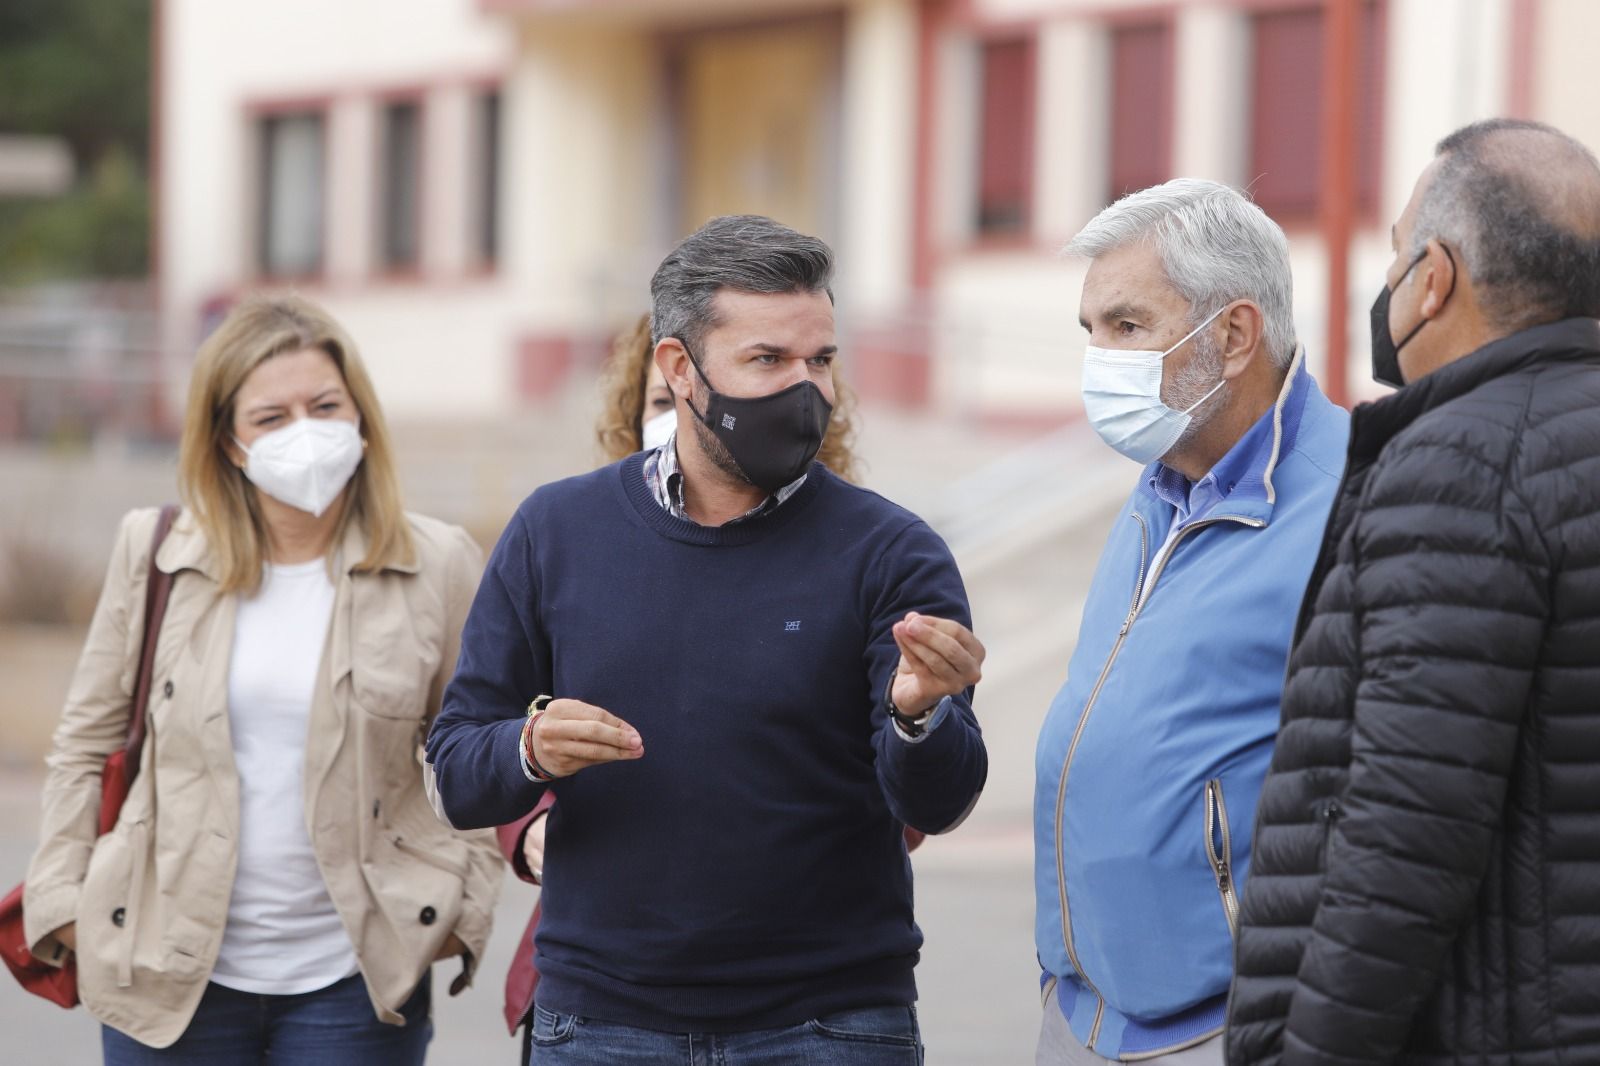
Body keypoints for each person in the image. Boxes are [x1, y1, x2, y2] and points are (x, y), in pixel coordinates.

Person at [427, 214, 988, 1064]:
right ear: (678, 370)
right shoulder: (555, 531)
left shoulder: (893, 552)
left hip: (830, 1024)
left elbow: (939, 800)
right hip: (601, 1023)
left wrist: (918, 717)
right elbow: (457, 772)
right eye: (768, 360)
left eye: (822, 360)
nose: (807, 391)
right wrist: (530, 748)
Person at [22, 295, 503, 1063]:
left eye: (324, 406)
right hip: (165, 974)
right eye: (271, 418)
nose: (305, 432)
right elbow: (84, 745)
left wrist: (458, 909)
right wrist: (66, 906)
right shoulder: (156, 554)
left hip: (353, 985)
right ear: (230, 444)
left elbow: (476, 752)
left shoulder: (436, 563)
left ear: (361, 419)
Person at [1227, 119, 1600, 1066]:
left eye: (1396, 256)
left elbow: (1403, 832)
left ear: (1434, 280)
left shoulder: (1465, 460)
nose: (1387, 285)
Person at [495, 311, 896, 1050]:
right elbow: (479, 733)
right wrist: (529, 820)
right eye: (656, 403)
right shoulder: (563, 536)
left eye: (815, 363)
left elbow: (912, 792)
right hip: (606, 990)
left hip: (812, 1000)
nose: (677, 420)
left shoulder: (868, 548)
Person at [1033, 179, 1350, 1064]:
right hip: (1083, 1004)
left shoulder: (1353, 505)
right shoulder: (1162, 480)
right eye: (1090, 331)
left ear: (1235, 334)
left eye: (1127, 326)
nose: (1100, 359)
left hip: (1231, 1023)